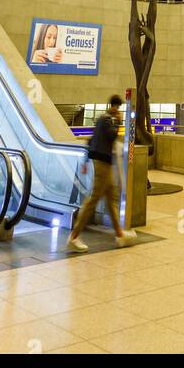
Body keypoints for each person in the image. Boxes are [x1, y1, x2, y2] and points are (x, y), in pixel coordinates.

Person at [67, 95, 136, 253]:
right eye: (116, 107)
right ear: (112, 106)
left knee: (111, 198)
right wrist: (118, 121)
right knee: (94, 199)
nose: (117, 110)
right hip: (103, 163)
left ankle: (120, 235)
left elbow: (92, 140)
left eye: (118, 107)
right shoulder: (108, 120)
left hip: (103, 162)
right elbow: (112, 136)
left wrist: (85, 161)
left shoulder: (101, 118)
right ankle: (74, 236)